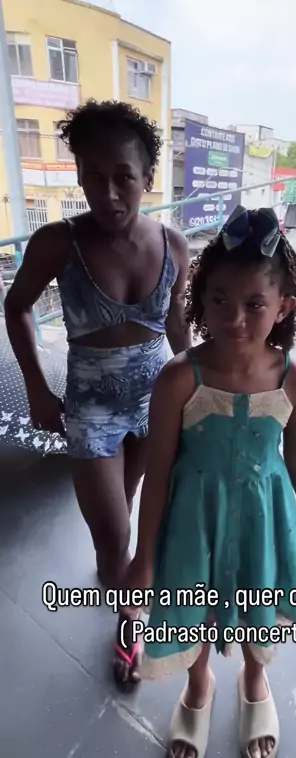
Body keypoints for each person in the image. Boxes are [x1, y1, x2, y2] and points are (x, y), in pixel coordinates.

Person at [121, 205, 296, 755]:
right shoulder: (179, 378)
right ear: (201, 298)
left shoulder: (295, 381)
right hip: (192, 521)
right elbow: (158, 470)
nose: (234, 317)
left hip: (265, 520)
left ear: (284, 306)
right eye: (219, 299)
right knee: (193, 605)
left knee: (256, 602)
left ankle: (253, 678)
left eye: (254, 304)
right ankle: (199, 685)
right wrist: (143, 557)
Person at [4, 100, 191, 655]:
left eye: (123, 178)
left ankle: (117, 576)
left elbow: (177, 325)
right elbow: (16, 307)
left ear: (149, 177)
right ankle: (129, 619)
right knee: (113, 530)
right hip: (90, 410)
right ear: (79, 175)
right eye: (93, 178)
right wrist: (37, 387)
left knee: (130, 506)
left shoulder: (174, 245)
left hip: (156, 401)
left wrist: (202, 386)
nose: (107, 194)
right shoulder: (59, 242)